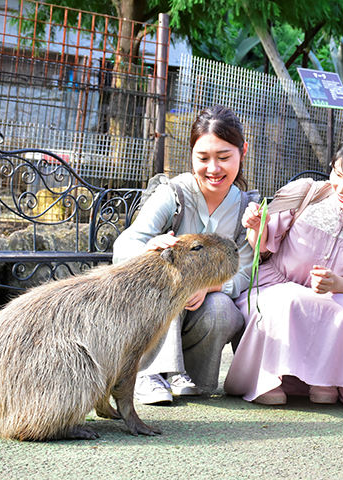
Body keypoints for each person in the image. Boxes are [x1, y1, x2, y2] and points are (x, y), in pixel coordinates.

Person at [223, 129, 343, 413]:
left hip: (335, 298)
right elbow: (264, 249)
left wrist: (338, 284)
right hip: (274, 288)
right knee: (289, 298)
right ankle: (268, 379)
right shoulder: (306, 194)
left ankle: (327, 382)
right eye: (338, 173)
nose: (342, 189)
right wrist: (256, 227)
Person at [112, 105, 258, 404]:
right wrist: (149, 248)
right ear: (191, 153)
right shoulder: (174, 194)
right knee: (173, 284)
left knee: (223, 309)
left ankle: (184, 375)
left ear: (243, 151)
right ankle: (144, 373)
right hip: (152, 314)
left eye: (224, 157)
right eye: (203, 158)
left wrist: (211, 286)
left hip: (199, 316)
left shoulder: (247, 207)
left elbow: (246, 270)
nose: (213, 168)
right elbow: (124, 246)